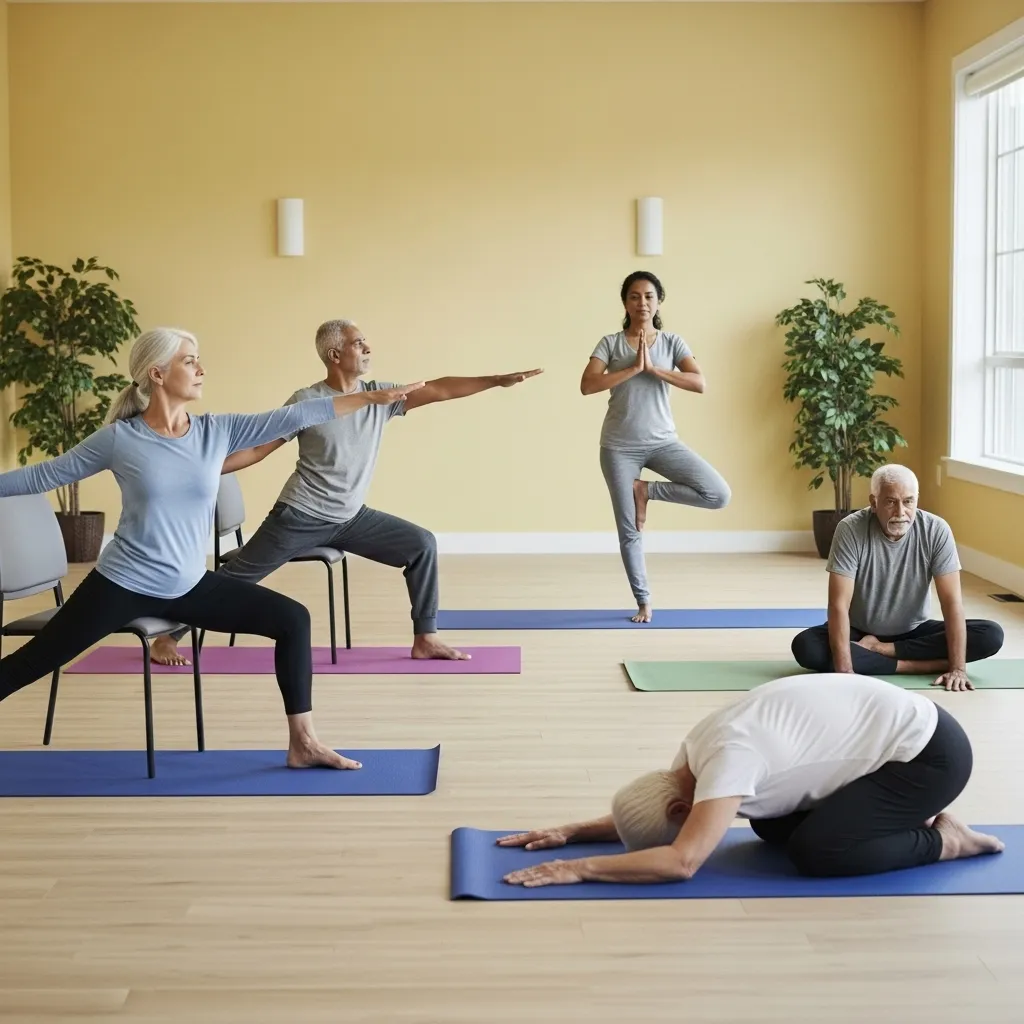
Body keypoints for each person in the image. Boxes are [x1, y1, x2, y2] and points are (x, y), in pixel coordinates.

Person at [0, 327, 423, 770]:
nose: (201, 369)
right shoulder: (120, 439)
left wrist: (369, 399)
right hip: (121, 584)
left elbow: (296, 415)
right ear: (157, 374)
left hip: (188, 586)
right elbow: (41, 477)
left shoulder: (215, 431)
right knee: (30, 663)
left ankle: (305, 743)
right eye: (189, 360)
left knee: (293, 619)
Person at [149, 319, 542, 666]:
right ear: (335, 354)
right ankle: (168, 635)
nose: (368, 348)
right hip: (299, 516)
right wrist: (198, 470)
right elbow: (257, 449)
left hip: (351, 519)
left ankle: (426, 637)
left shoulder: (381, 397)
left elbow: (438, 389)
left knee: (421, 544)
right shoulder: (307, 401)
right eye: (359, 343)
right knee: (237, 579)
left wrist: (494, 381)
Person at [498, 673, 1003, 888]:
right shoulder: (688, 759)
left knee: (816, 853)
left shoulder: (728, 760)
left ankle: (945, 840)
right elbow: (662, 815)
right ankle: (885, 819)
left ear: (680, 811)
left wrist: (580, 868)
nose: (690, 823)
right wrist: (572, 830)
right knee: (771, 827)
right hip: (891, 738)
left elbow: (682, 862)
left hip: (930, 756)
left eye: (684, 821)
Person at [580, 271, 730, 623]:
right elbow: (587, 385)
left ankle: (646, 490)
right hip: (619, 447)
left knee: (718, 494)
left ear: (658, 301)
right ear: (625, 302)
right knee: (629, 529)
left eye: (648, 296)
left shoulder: (673, 342)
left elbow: (699, 382)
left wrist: (656, 370)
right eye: (634, 296)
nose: (642, 302)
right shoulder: (610, 343)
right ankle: (644, 601)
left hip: (663, 442)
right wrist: (633, 368)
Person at [791, 464, 1004, 692]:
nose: (901, 512)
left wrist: (958, 668)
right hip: (859, 631)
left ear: (917, 500)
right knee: (806, 647)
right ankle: (915, 666)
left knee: (990, 635)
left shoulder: (936, 530)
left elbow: (951, 603)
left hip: (914, 632)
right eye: (891, 502)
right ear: (874, 502)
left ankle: (883, 651)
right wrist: (845, 673)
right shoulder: (850, 529)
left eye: (908, 501)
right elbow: (838, 605)